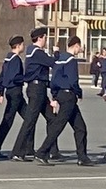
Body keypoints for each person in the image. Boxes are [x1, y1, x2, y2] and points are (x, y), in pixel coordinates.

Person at [34, 36, 93, 166]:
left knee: (80, 127)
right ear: (76, 46)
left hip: (61, 94)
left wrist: (55, 95)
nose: (80, 49)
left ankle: (82, 157)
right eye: (80, 47)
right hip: (69, 96)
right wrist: (79, 92)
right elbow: (73, 80)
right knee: (58, 125)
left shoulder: (60, 59)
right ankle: (42, 152)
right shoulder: (71, 60)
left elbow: (54, 79)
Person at [10, 27, 60, 162]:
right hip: (36, 89)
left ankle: (52, 150)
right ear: (40, 38)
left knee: (52, 119)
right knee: (30, 121)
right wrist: (56, 53)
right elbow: (53, 63)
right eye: (45, 38)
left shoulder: (33, 51)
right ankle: (18, 151)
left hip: (40, 88)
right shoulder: (36, 52)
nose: (45, 40)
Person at [0, 35, 28, 160]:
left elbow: (3, 77)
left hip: (11, 92)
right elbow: (15, 77)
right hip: (15, 92)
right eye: (22, 44)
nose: (23, 47)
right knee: (8, 121)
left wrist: (1, 92)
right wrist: (27, 78)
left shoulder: (8, 58)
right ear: (19, 45)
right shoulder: (15, 59)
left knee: (29, 118)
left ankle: (26, 149)